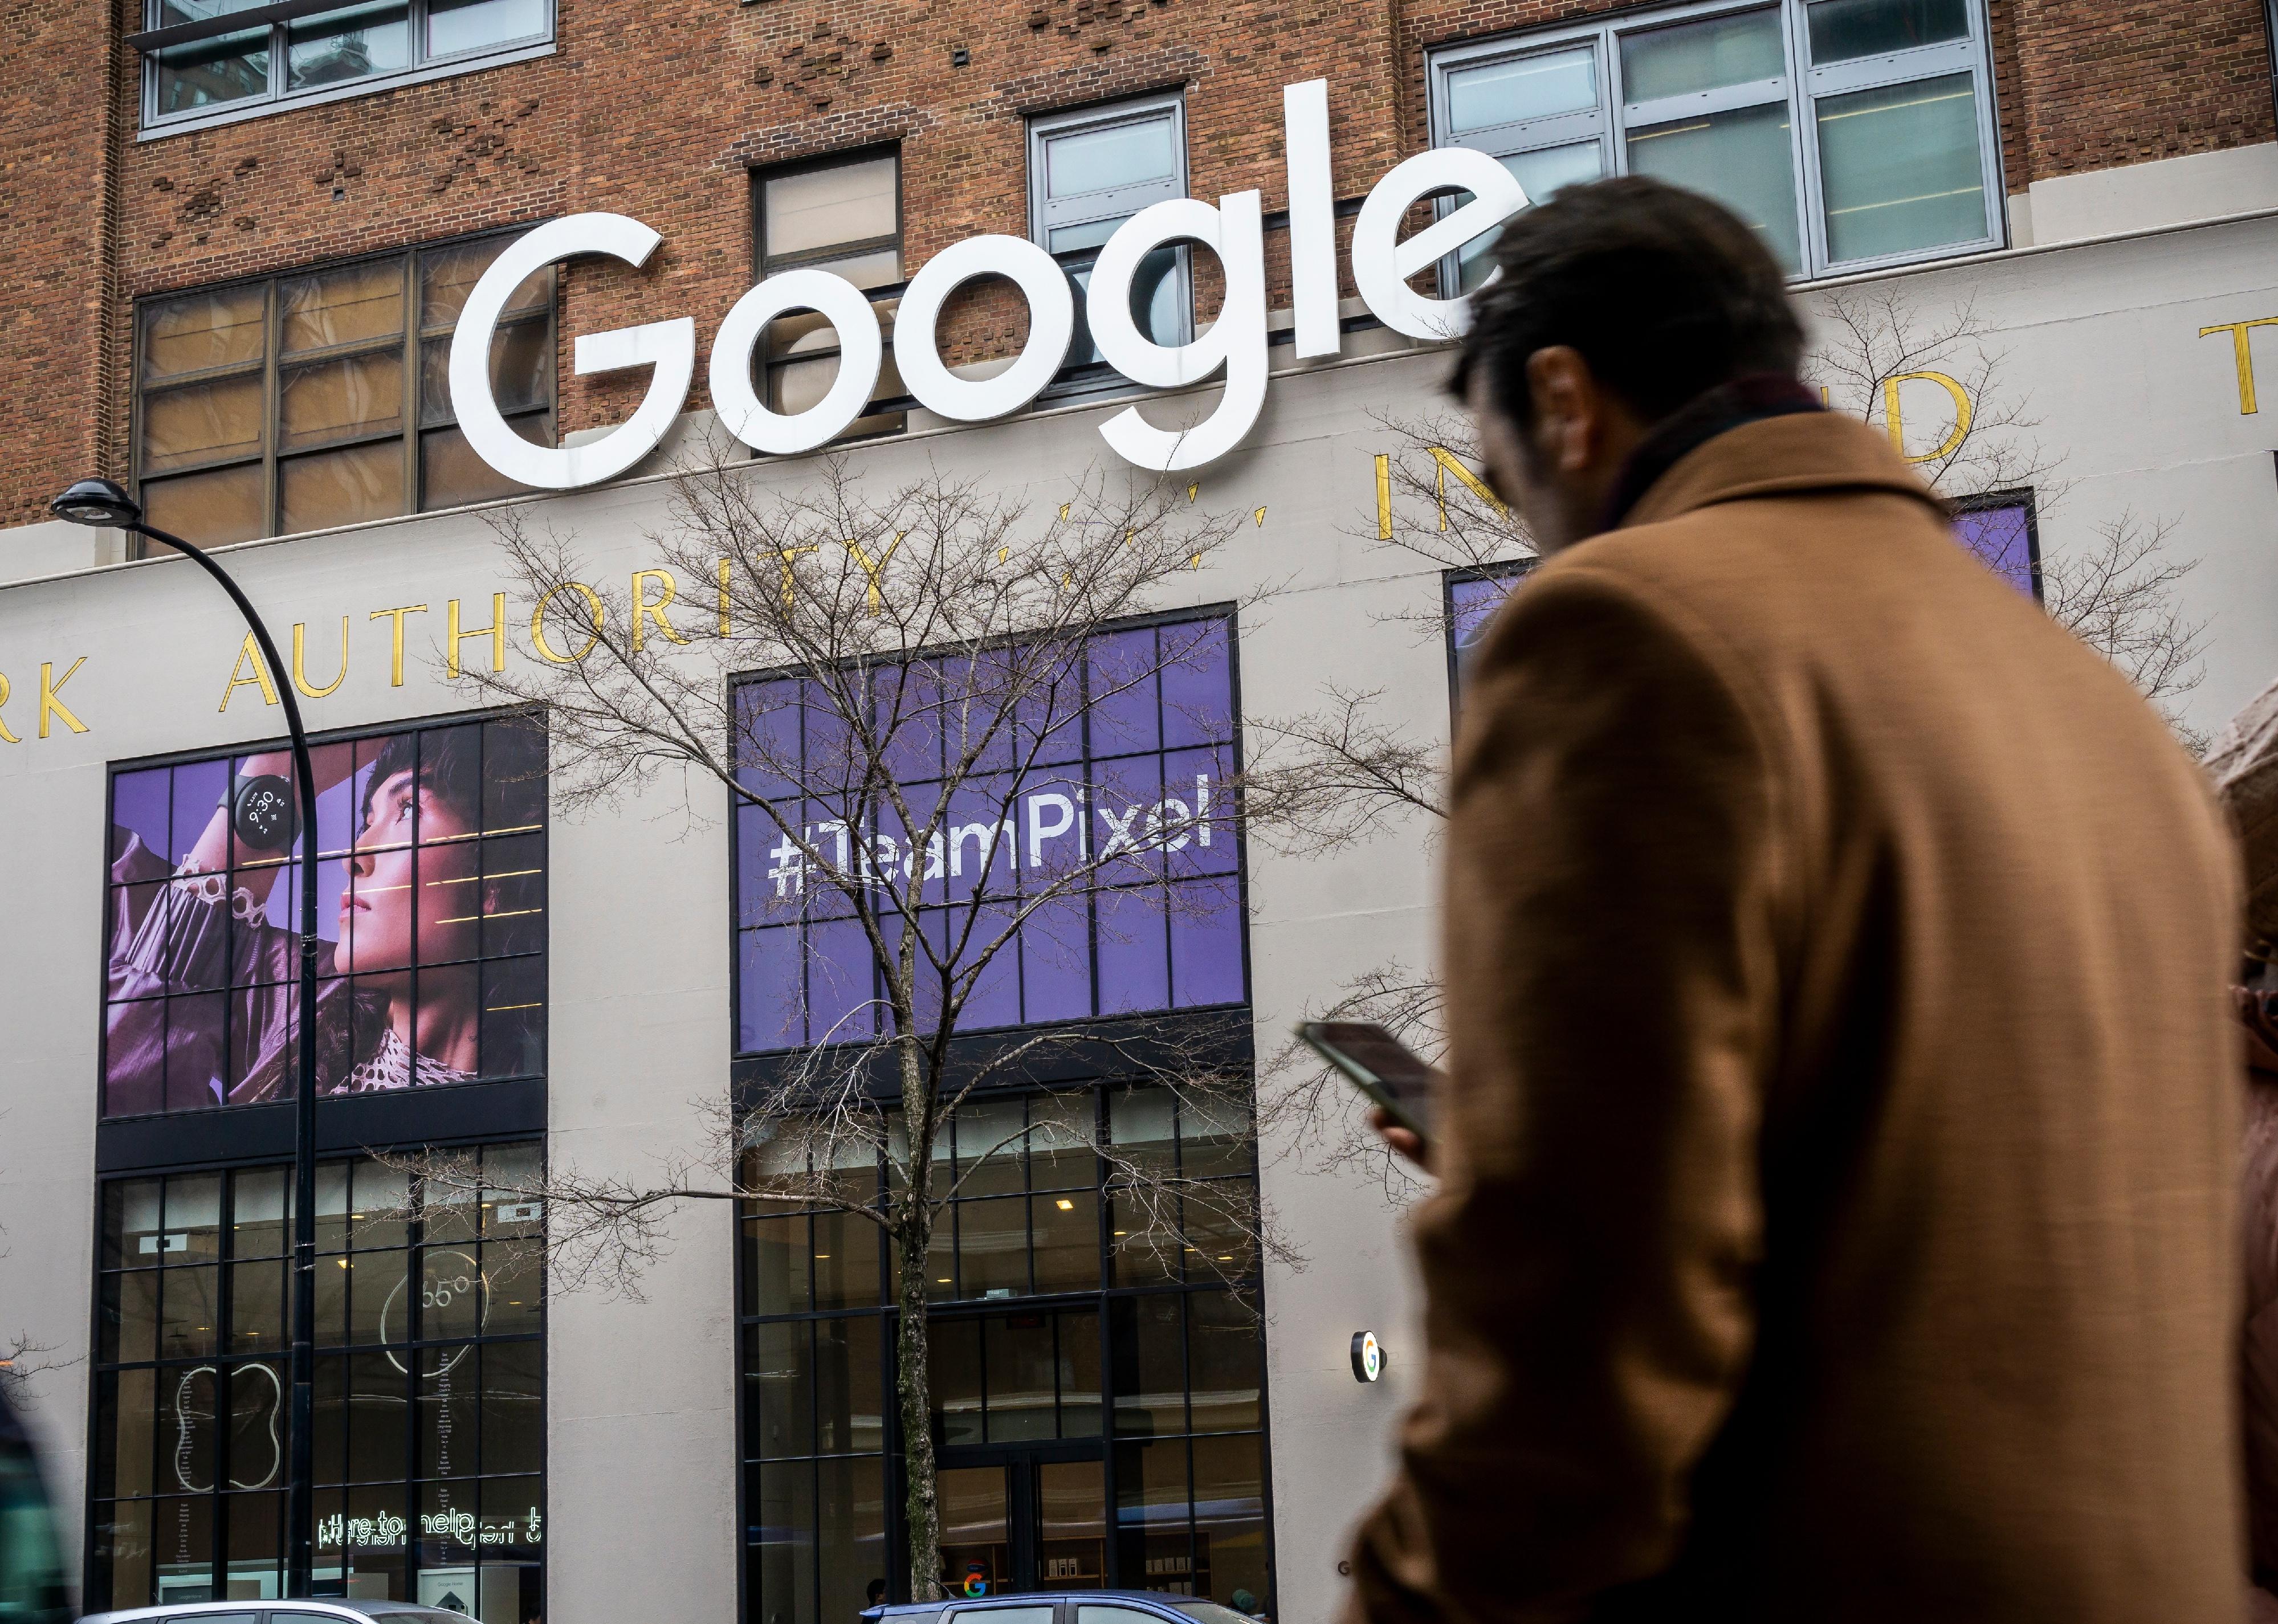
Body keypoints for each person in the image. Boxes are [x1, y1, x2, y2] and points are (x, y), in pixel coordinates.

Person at [1346, 176, 2246, 1622]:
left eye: (1509, 487)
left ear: (1565, 400)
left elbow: (1582, 1313)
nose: (1530, 540)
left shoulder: (1622, 629)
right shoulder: (2104, 713)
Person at [104, 721, 543, 1112]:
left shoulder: (549, 1085)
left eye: (408, 811)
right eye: (366, 821)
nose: (353, 856)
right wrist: (279, 777)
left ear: (493, 885)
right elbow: (129, 1071)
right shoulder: (301, 1011)